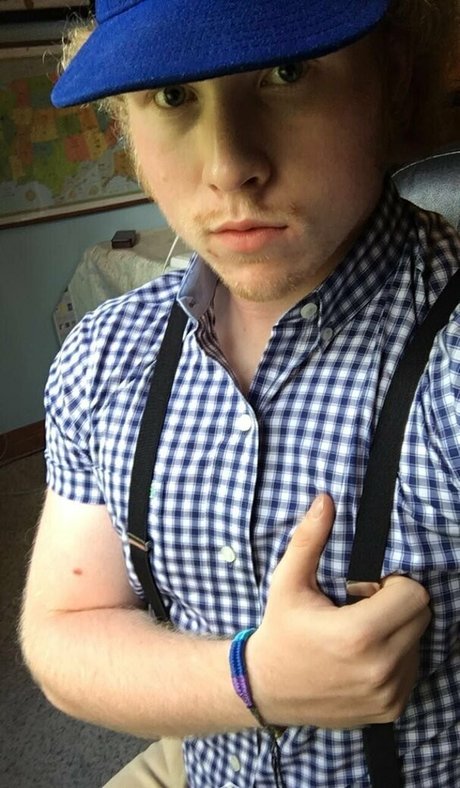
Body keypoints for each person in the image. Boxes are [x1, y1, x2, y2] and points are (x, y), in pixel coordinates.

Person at [20, 0, 460, 786]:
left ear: (392, 77)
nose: (229, 166)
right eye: (173, 94)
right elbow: (63, 630)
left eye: (287, 73)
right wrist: (255, 680)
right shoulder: (103, 355)